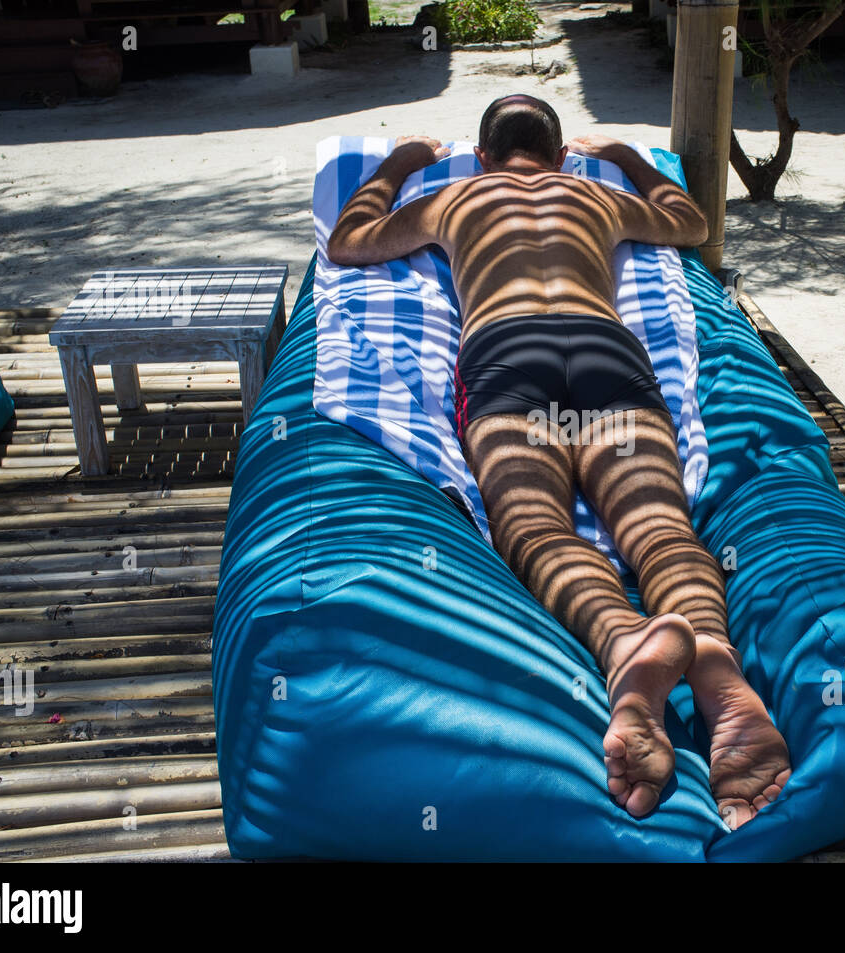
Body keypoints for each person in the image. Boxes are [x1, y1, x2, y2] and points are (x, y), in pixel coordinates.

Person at [327, 94, 790, 829]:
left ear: (483, 156)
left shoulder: (455, 196)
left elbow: (348, 241)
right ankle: (719, 671)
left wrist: (400, 162)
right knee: (662, 527)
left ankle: (622, 637)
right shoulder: (594, 194)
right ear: (560, 156)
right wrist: (631, 160)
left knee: (534, 529)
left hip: (509, 352)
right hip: (606, 347)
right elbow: (692, 223)